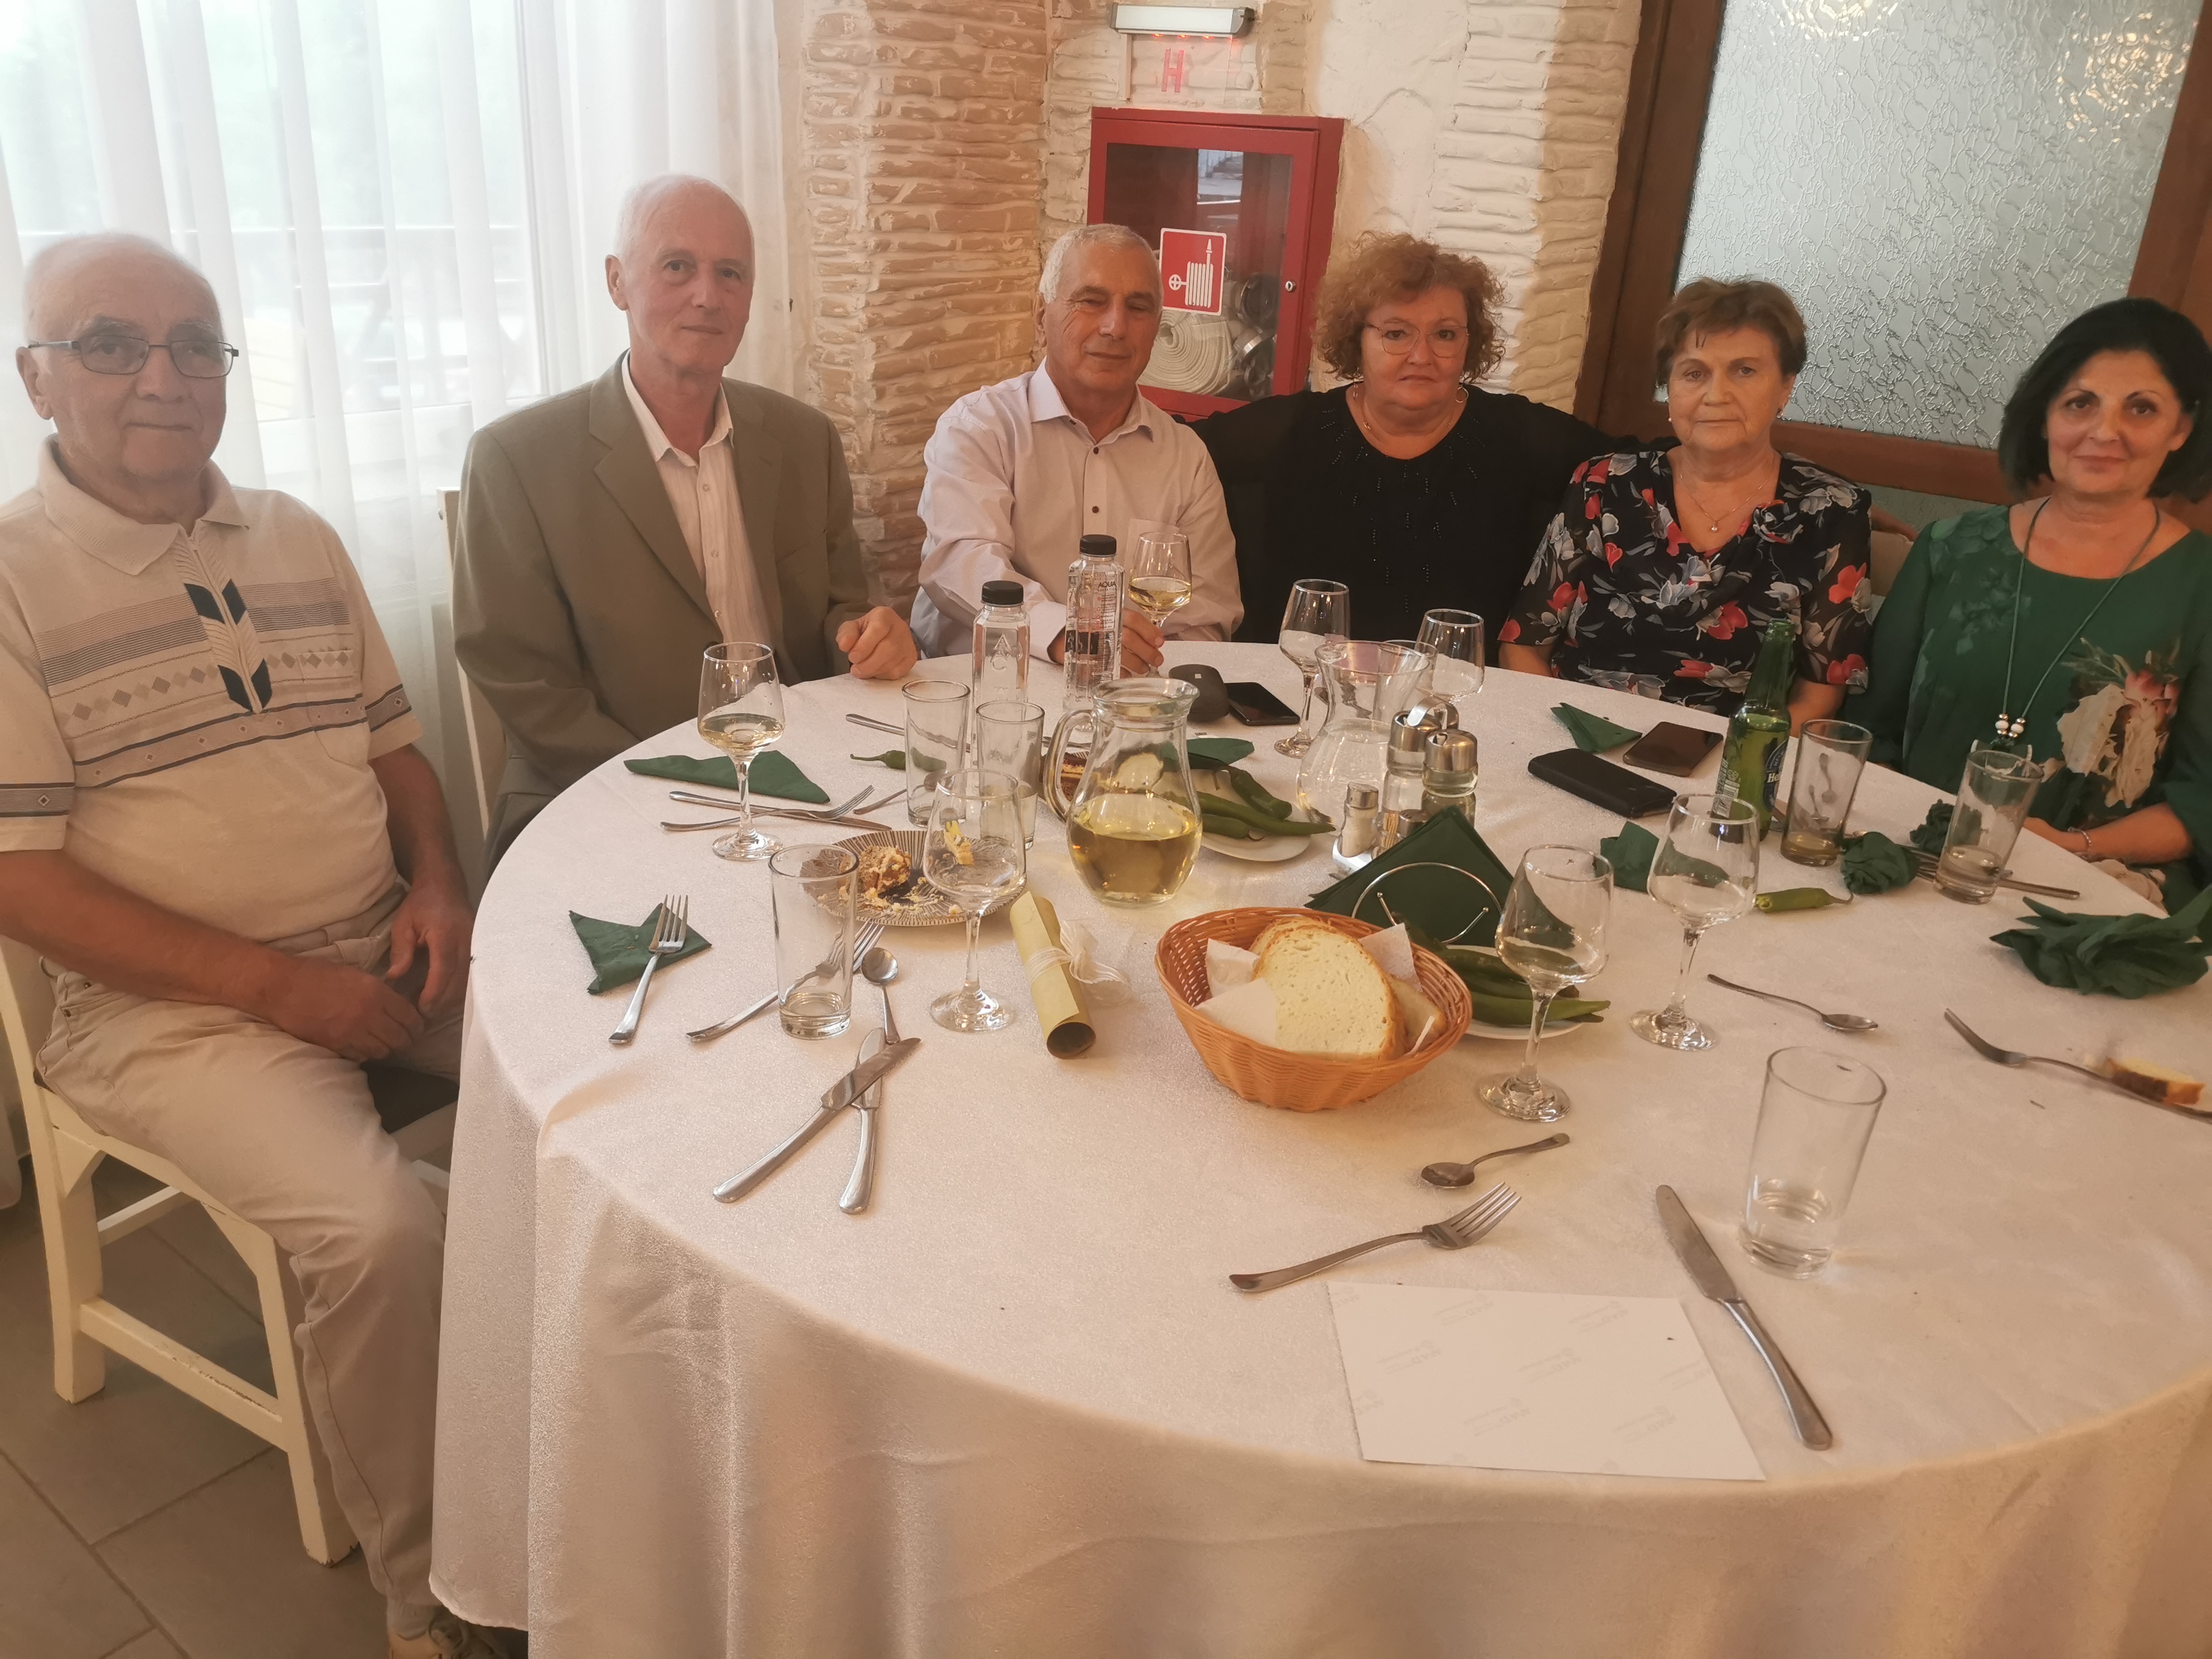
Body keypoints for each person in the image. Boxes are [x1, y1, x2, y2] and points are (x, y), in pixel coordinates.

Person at [1, 235, 497, 1659]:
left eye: (197, 344)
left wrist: (439, 886)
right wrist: (286, 988)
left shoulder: (297, 533)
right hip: (168, 1011)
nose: (164, 376)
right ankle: (440, 1593)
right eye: (112, 344)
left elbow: (396, 751)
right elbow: (16, 880)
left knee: (613, 1066)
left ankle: (577, 1417)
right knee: (383, 1230)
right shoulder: (13, 576)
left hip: (383, 943)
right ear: (37, 378)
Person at [454, 175, 917, 863]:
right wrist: (683, 785)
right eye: (677, 266)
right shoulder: (516, 460)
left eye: (730, 273)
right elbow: (528, 688)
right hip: (601, 794)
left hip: (794, 780)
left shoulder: (804, 439)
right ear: (617, 282)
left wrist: (872, 636)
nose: (707, 295)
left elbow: (839, 609)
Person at [1849, 298, 2212, 902]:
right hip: (1909, 861)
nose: (2105, 432)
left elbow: (2201, 802)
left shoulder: (2200, 585)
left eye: (2141, 408)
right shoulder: (1950, 549)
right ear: (2044, 418)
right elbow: (1868, 731)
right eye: (2080, 403)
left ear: (2182, 428)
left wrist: (2072, 848)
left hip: (2083, 892)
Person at [1196, 232, 1622, 645]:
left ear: (1469, 343)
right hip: (1302, 682)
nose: (1421, 356)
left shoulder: (1516, 435)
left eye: (1445, 334)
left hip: (1461, 688)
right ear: (1357, 339)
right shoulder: (1292, 430)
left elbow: (1637, 470)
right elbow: (1172, 448)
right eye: (1396, 334)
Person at [1500, 278, 1873, 722]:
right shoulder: (1603, 482)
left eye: (1744, 371)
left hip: (1728, 750)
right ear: (1670, 390)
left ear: (1785, 387)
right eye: (1694, 373)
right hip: (1578, 734)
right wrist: (1560, 733)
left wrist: (1741, 755)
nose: (1716, 395)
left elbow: (1821, 692)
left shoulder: (1830, 510)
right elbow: (1523, 646)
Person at [911, 223, 1241, 668]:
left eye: (1138, 307)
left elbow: (1207, 613)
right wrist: (1066, 634)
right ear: (1040, 317)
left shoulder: (1186, 457)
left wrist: (1155, 685)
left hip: (1128, 695)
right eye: (1091, 301)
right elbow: (960, 564)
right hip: (985, 684)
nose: (1116, 326)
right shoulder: (980, 427)